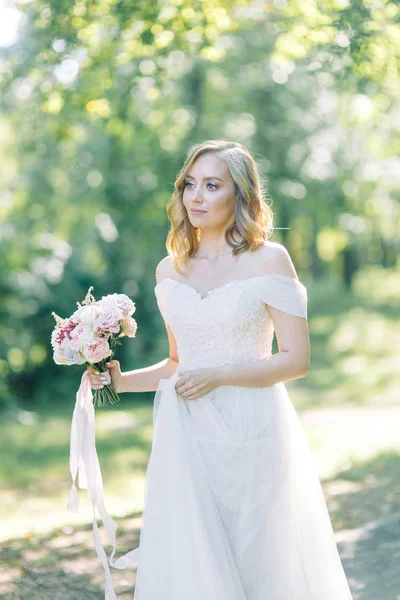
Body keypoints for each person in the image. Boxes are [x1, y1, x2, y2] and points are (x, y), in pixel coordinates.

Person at [86, 139, 354, 599]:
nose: (196, 196)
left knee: (259, 555)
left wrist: (221, 375)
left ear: (241, 194)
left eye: (212, 185)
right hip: (185, 434)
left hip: (252, 428)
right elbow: (177, 362)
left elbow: (296, 360)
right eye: (190, 184)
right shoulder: (169, 270)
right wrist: (121, 382)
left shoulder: (270, 259)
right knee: (195, 558)